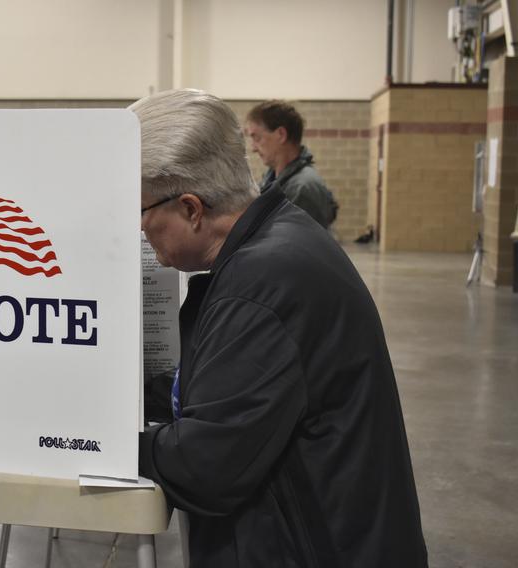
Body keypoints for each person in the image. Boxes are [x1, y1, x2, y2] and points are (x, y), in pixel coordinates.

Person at [131, 89, 427, 567]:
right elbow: (227, 390)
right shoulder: (276, 239)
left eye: (141, 212)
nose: (139, 230)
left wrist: (99, 445)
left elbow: (206, 465)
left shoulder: (262, 284)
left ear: (190, 208)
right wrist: (129, 396)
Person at [245, 100, 338, 228]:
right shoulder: (272, 180)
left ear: (281, 135)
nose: (253, 148)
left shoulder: (303, 188)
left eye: (257, 138)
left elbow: (295, 245)